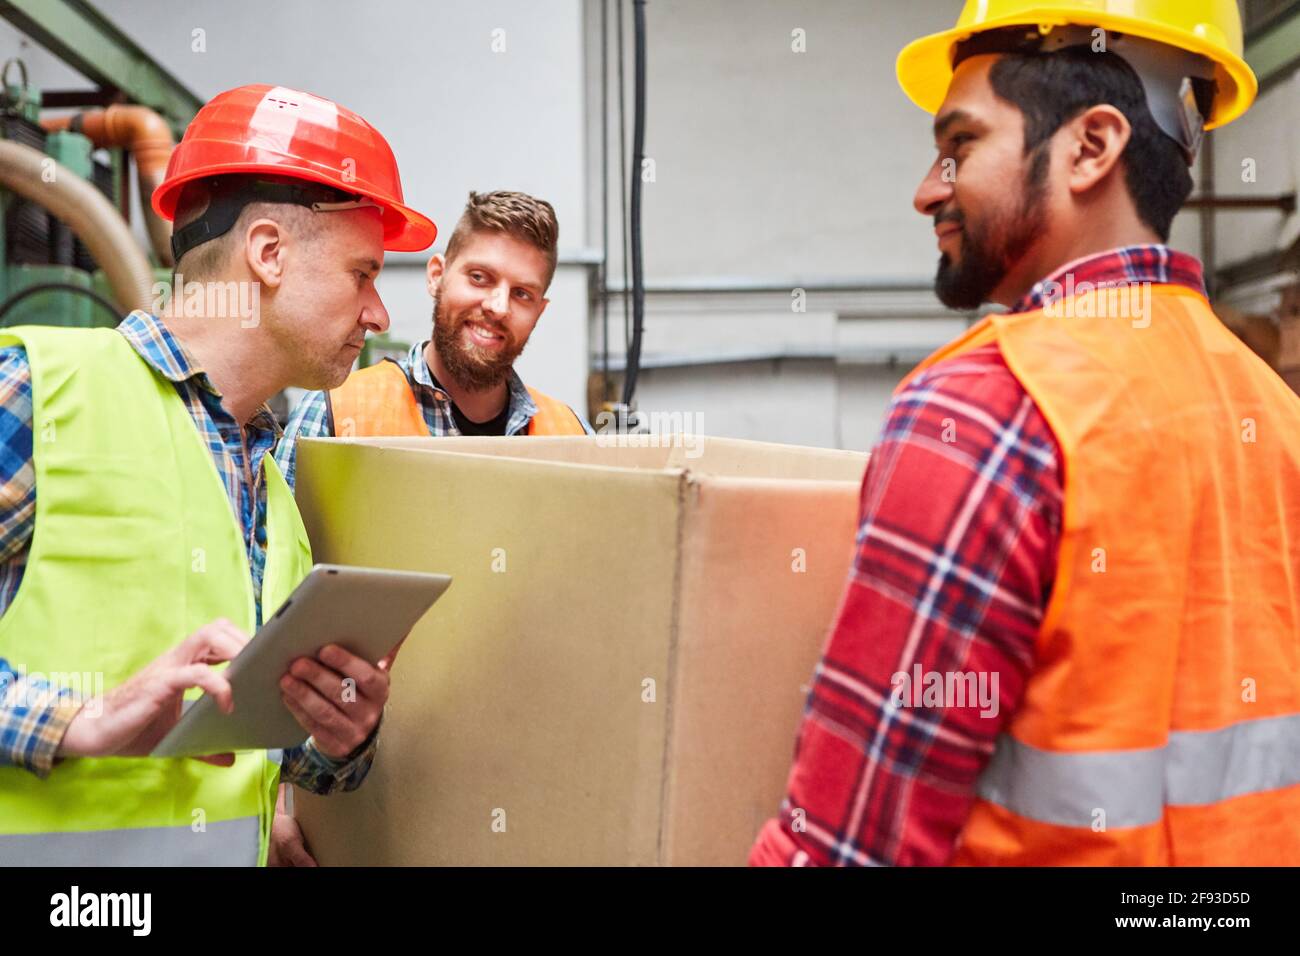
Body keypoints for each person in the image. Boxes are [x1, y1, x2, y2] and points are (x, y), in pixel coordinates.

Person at [752, 0, 1300, 866]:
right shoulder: (1274, 418)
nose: (928, 188)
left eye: (960, 144)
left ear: (1091, 146)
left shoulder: (989, 406)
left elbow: (856, 843)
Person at [0, 83, 438, 866]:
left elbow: (271, 760)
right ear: (267, 254)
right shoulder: (42, 389)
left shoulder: (270, 479)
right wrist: (77, 719)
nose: (377, 314)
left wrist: (340, 735)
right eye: (362, 273)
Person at [276, 189, 589, 491]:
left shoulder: (575, 437)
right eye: (479, 277)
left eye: (522, 294)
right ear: (436, 276)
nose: (498, 306)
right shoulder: (333, 414)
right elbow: (275, 545)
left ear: (540, 310)